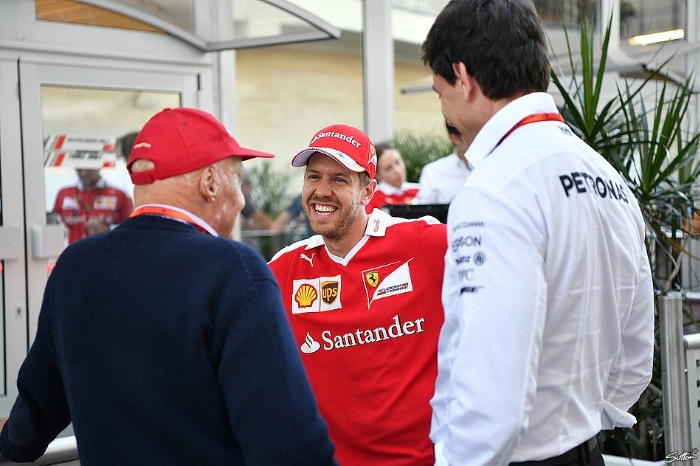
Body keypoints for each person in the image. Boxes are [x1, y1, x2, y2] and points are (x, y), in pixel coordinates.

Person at [0, 107, 336, 465]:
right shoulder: (232, 271)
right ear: (210, 183)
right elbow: (291, 444)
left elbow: (28, 426)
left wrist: (11, 439)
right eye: (237, 181)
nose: (241, 200)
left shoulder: (75, 266)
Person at [422, 1, 654, 465]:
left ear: (463, 78)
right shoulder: (608, 177)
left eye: (439, 91)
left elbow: (491, 388)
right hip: (582, 450)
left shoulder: (494, 188)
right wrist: (576, 420)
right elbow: (635, 355)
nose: (443, 106)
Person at [268, 123, 448, 465]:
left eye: (339, 179)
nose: (321, 191)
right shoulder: (284, 268)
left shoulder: (424, 242)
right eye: (313, 177)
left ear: (368, 192)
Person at [52, 167, 133, 244]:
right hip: (72, 254)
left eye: (88, 169)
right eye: (79, 169)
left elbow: (131, 230)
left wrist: (107, 230)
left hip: (106, 253)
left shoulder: (119, 195)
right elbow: (53, 226)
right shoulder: (64, 194)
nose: (83, 173)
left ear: (98, 166)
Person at [415, 122, 471, 205]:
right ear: (455, 139)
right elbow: (425, 213)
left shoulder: (494, 166)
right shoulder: (433, 173)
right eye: (471, 135)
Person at [364, 142, 420, 213]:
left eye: (398, 162)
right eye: (388, 168)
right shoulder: (371, 197)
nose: (397, 170)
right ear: (376, 174)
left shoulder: (419, 190)